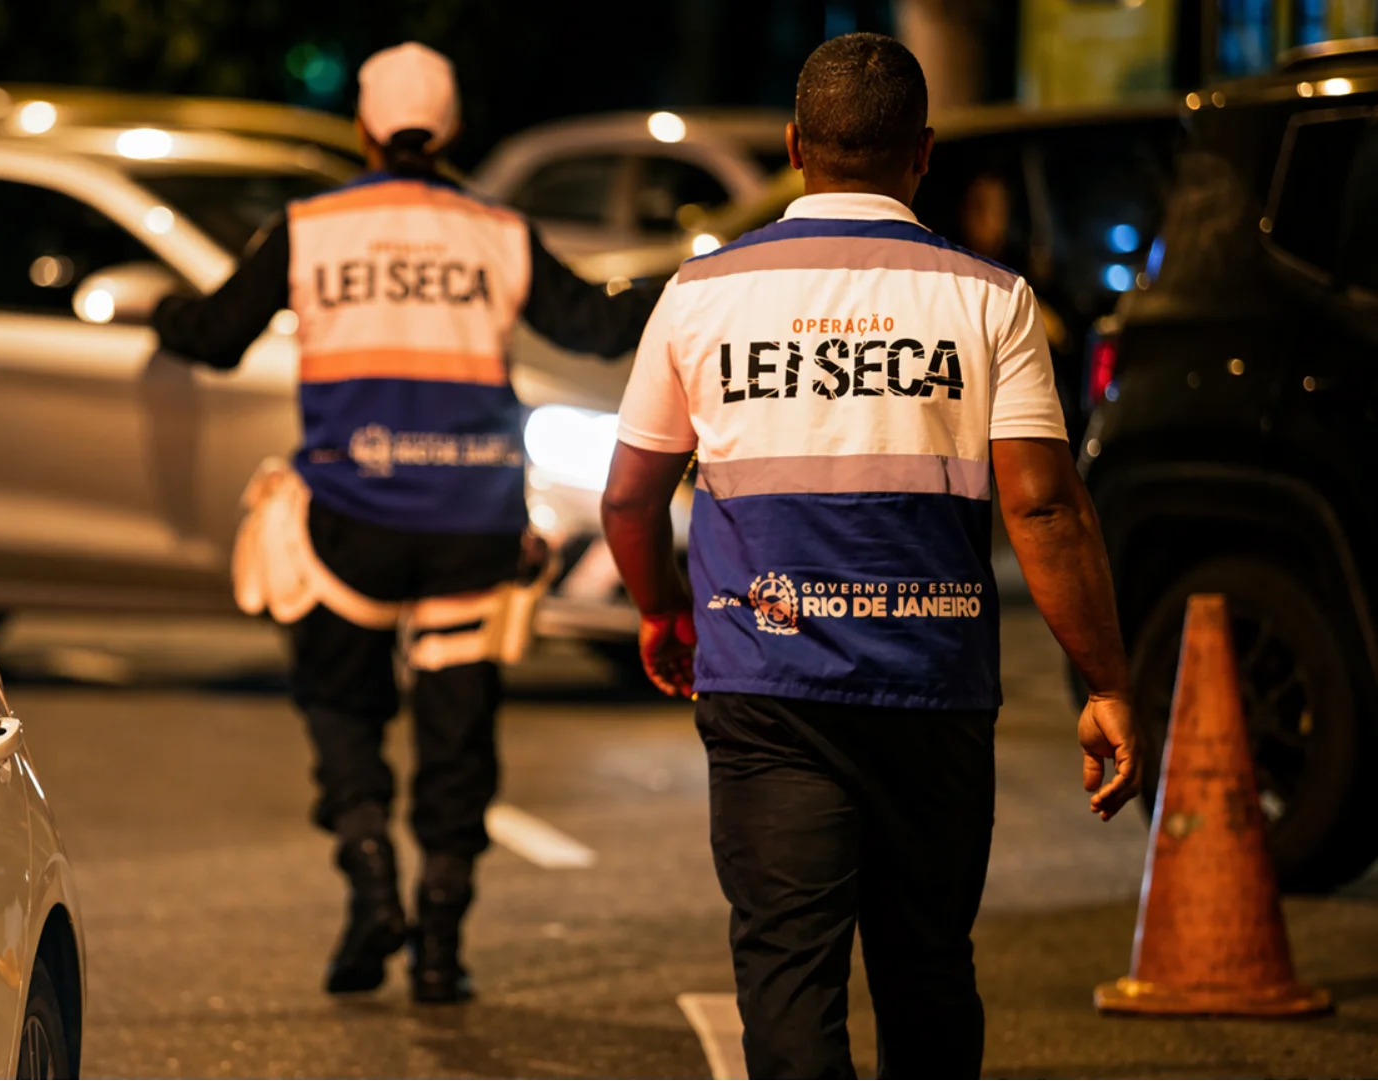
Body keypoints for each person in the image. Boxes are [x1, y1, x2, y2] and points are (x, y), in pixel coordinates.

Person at [599, 33, 1139, 1078]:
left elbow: (629, 494)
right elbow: (1044, 509)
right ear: (923, 152)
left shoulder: (701, 292)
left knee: (787, 975)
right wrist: (1104, 680)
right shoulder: (991, 299)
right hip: (931, 692)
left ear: (795, 146)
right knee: (927, 967)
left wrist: (661, 609)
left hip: (765, 686)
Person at [153, 42, 659, 1003]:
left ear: (364, 128)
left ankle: (369, 871)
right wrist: (686, 285)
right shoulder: (495, 230)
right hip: (474, 520)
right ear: (453, 129)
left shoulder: (310, 227)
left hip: (352, 517)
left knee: (341, 700)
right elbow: (592, 326)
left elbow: (215, 340)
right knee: (456, 728)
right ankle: (440, 940)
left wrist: (163, 315)